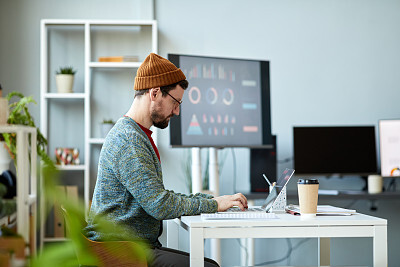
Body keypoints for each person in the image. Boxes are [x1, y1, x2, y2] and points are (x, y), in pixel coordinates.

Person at [85, 53, 248, 267]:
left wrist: (214, 201)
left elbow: (158, 197)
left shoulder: (136, 135)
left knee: (208, 263)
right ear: (154, 93)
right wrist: (214, 204)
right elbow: (159, 205)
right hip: (119, 252)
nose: (177, 111)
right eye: (175, 102)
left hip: (131, 246)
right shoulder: (129, 139)